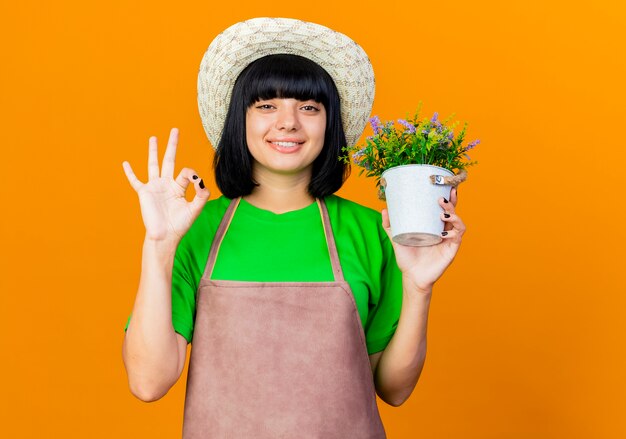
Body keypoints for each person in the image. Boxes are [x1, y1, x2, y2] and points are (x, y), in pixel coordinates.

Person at [121, 17, 465, 438]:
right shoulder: (194, 228)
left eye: (308, 107)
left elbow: (393, 388)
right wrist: (158, 246)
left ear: (330, 123)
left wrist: (418, 288)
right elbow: (147, 382)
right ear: (238, 120)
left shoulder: (371, 229)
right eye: (267, 105)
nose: (288, 123)